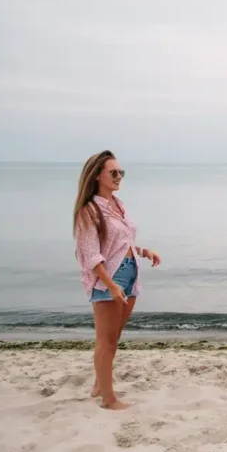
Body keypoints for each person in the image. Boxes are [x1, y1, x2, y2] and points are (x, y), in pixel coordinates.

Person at [73, 151, 162, 410]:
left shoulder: (117, 205)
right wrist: (111, 286)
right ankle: (108, 399)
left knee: (114, 336)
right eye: (113, 172)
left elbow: (123, 241)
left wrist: (144, 252)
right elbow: (90, 255)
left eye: (121, 172)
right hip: (109, 279)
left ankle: (100, 384)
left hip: (130, 274)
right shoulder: (89, 211)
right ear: (97, 175)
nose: (118, 177)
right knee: (106, 340)